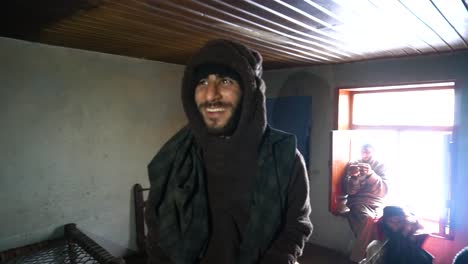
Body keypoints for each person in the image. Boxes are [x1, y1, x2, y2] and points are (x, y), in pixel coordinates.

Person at [144, 39, 313, 264]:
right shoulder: (174, 156)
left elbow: (297, 225)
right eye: (202, 82)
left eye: (225, 81)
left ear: (249, 91)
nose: (211, 95)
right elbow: (157, 232)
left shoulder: (284, 157)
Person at [343, 144, 388, 263]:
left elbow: (383, 190)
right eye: (363, 152)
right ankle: (360, 258)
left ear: (373, 152)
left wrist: (371, 175)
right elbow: (350, 191)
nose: (365, 155)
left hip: (377, 201)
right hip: (357, 200)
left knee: (378, 220)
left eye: (368, 152)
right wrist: (354, 178)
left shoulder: (381, 165)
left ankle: (368, 257)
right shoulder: (354, 164)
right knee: (368, 218)